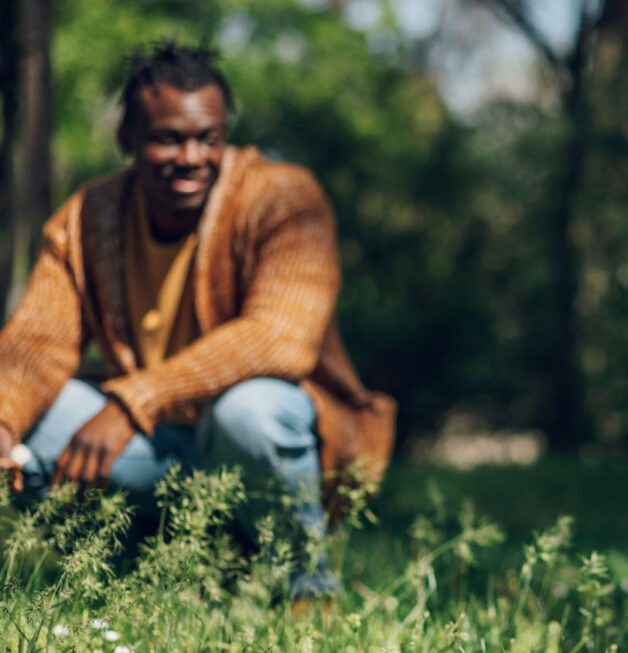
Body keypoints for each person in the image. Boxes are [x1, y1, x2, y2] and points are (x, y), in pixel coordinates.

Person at [0, 41, 395, 598]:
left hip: (258, 444)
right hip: (156, 449)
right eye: (169, 138)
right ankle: (132, 586)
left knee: (249, 411)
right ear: (127, 138)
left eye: (208, 138)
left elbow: (280, 340)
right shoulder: (88, 217)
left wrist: (133, 399)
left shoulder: (283, 198)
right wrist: (3, 419)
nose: (192, 157)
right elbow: (37, 342)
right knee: (34, 424)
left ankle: (306, 593)